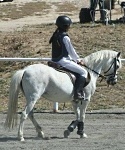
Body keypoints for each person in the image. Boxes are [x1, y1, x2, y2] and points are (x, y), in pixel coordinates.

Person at [49, 15, 88, 101]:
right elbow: (71, 50)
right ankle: (77, 93)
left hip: (55, 60)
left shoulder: (56, 35)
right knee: (83, 72)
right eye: (69, 25)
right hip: (63, 61)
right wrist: (78, 60)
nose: (70, 27)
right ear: (66, 26)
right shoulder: (65, 37)